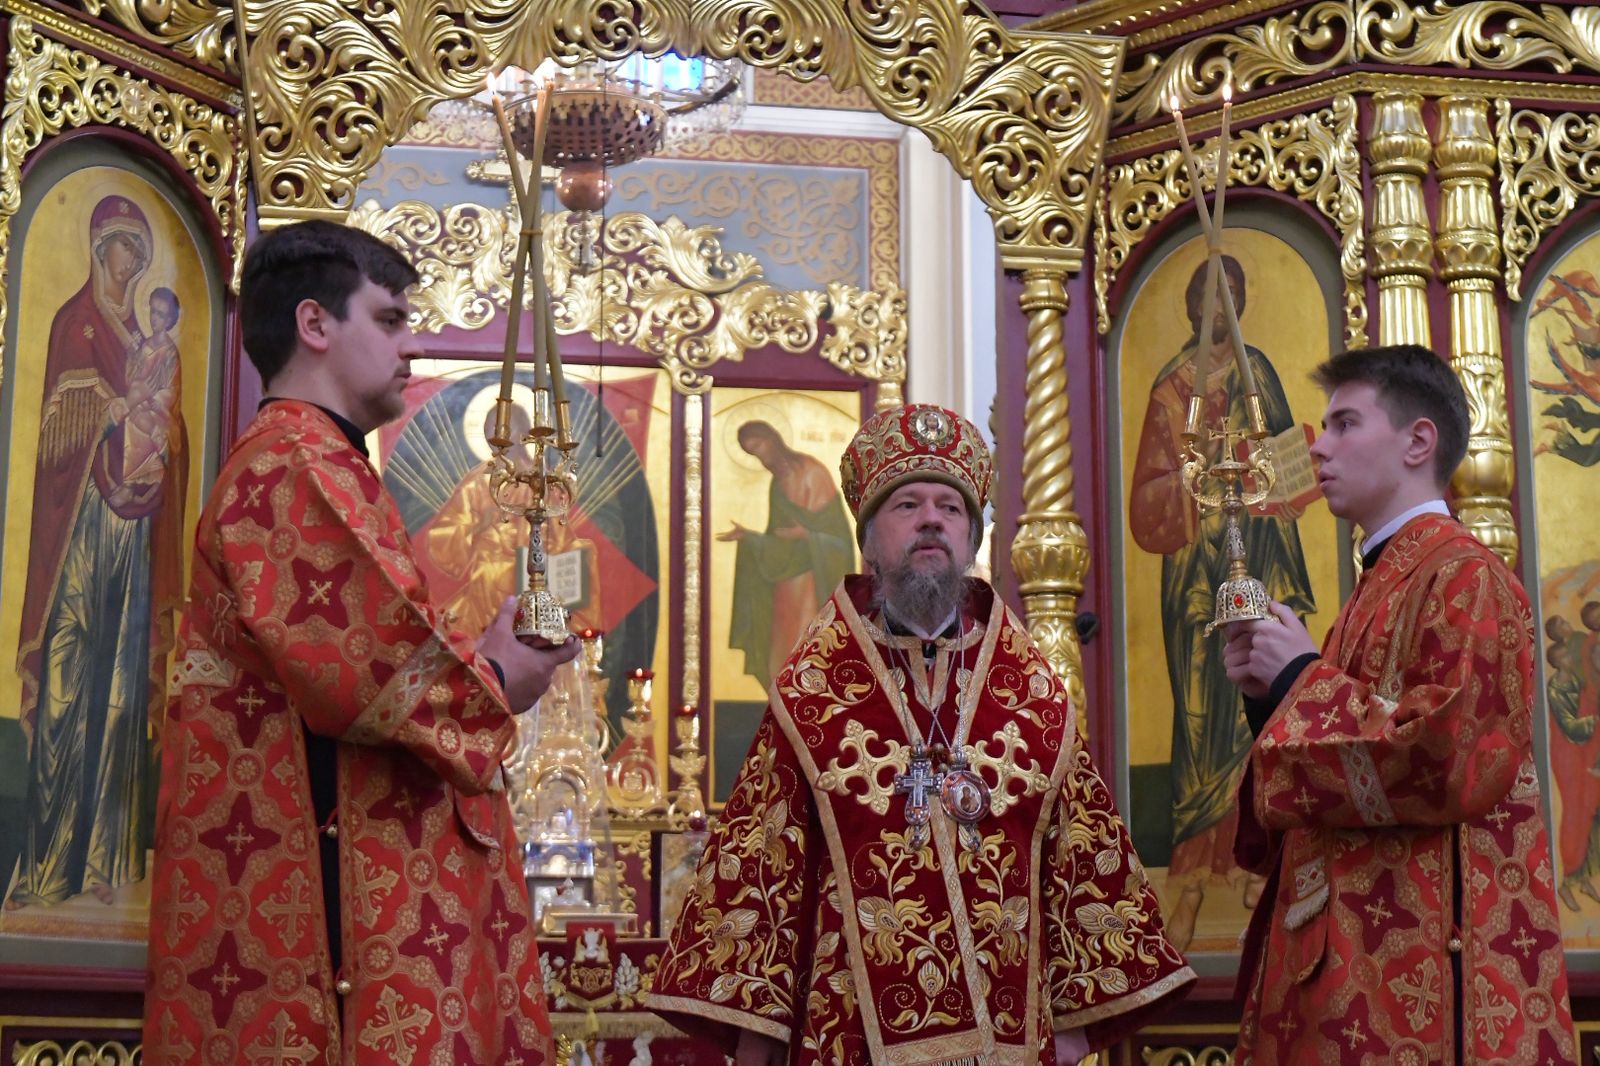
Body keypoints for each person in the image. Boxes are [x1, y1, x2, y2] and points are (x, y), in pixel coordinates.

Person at [143, 221, 580, 1065]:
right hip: (323, 920)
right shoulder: (296, 464)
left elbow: (357, 643)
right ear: (315, 323)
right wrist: (498, 673)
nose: (411, 346)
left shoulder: (318, 464)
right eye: (389, 319)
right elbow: (367, 676)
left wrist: (489, 655)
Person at [650, 404, 1194, 1065]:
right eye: (907, 505)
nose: (931, 519)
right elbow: (761, 895)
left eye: (951, 507)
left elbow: (1086, 877)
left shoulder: (1034, 698)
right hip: (848, 1044)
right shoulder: (810, 694)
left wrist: (1067, 1042)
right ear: (869, 539)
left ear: (970, 539)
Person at [1223, 344, 1576, 1063]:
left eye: (1346, 423)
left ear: (1418, 441)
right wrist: (1272, 701)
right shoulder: (1378, 587)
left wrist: (1300, 680)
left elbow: (1448, 762)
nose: (1319, 446)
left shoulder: (1465, 577)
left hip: (1423, 989)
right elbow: (1339, 775)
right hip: (1355, 971)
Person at [1128, 254, 1315, 948]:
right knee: (1200, 712)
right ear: (1191, 305)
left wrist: (1259, 470)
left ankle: (1258, 862)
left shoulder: (1254, 371)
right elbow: (1148, 495)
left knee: (1258, 707)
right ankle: (1192, 875)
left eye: (1233, 294)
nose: (1222, 307)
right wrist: (1193, 474)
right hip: (1193, 575)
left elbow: (1288, 461)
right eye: (1212, 294)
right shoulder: (1171, 385)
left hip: (1257, 557)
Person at [10, 196, 186, 911]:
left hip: (132, 529)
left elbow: (171, 427)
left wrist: (160, 430)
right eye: (122, 246)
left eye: (140, 251)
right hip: (79, 523)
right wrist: (103, 408)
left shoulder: (149, 340)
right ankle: (48, 866)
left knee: (120, 687)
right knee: (65, 678)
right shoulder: (72, 323)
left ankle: (109, 864)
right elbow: (52, 432)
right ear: (98, 248)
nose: (130, 261)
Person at [720, 419, 855, 688]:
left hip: (812, 582)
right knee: (780, 657)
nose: (761, 457)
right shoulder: (777, 484)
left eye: (760, 447)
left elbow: (839, 539)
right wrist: (750, 538)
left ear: (774, 440)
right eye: (752, 453)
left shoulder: (812, 473)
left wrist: (808, 536)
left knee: (807, 652)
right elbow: (778, 540)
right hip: (784, 583)